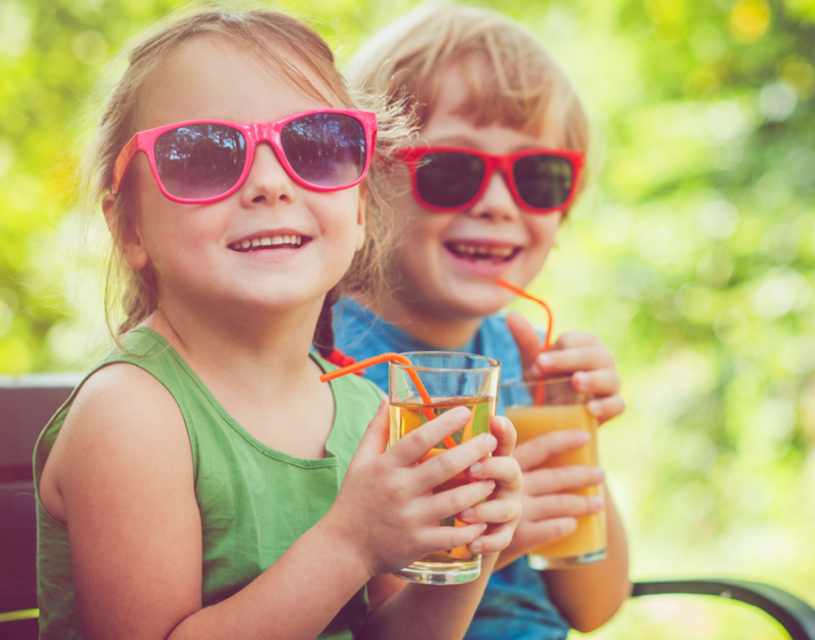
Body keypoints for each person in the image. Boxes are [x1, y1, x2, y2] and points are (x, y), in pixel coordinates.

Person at [33, 8, 522, 640]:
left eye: (317, 146)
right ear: (130, 229)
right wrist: (349, 545)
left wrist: (466, 550)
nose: (269, 183)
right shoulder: (132, 415)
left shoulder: (362, 407)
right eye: (204, 155)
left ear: (361, 210)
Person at [335, 3, 631, 638]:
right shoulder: (327, 365)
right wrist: (489, 540)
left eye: (538, 176)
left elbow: (595, 606)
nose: (497, 204)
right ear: (364, 181)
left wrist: (579, 432)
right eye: (452, 169)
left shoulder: (518, 355)